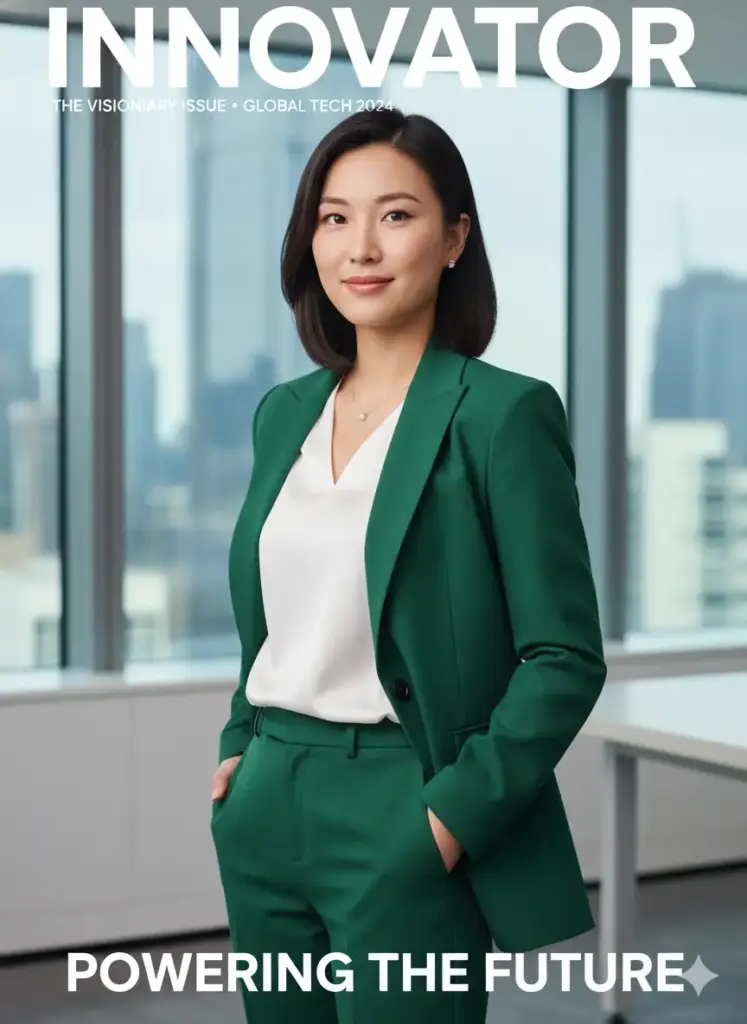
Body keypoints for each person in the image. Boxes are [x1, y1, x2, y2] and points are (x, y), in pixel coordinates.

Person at [210, 106, 607, 1024]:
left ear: (454, 237)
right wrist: (238, 748)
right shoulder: (283, 414)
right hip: (267, 801)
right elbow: (275, 617)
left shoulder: (501, 416)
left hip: (404, 798)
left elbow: (563, 656)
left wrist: (449, 818)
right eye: (334, 217)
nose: (361, 246)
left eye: (395, 215)